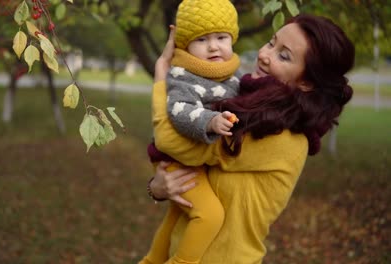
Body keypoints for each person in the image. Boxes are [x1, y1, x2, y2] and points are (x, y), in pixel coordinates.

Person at [145, 14, 355, 263]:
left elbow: (170, 142)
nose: (264, 54)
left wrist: (161, 79)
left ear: (307, 82)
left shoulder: (280, 135)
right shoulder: (245, 103)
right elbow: (187, 177)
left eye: (283, 55)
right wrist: (157, 188)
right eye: (270, 42)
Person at [141, 0, 241, 263]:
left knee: (176, 217)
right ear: (184, 44)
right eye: (202, 39)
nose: (213, 46)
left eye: (221, 37)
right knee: (210, 215)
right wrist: (209, 121)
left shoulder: (231, 77)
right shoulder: (183, 74)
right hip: (174, 160)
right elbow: (179, 109)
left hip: (193, 160)